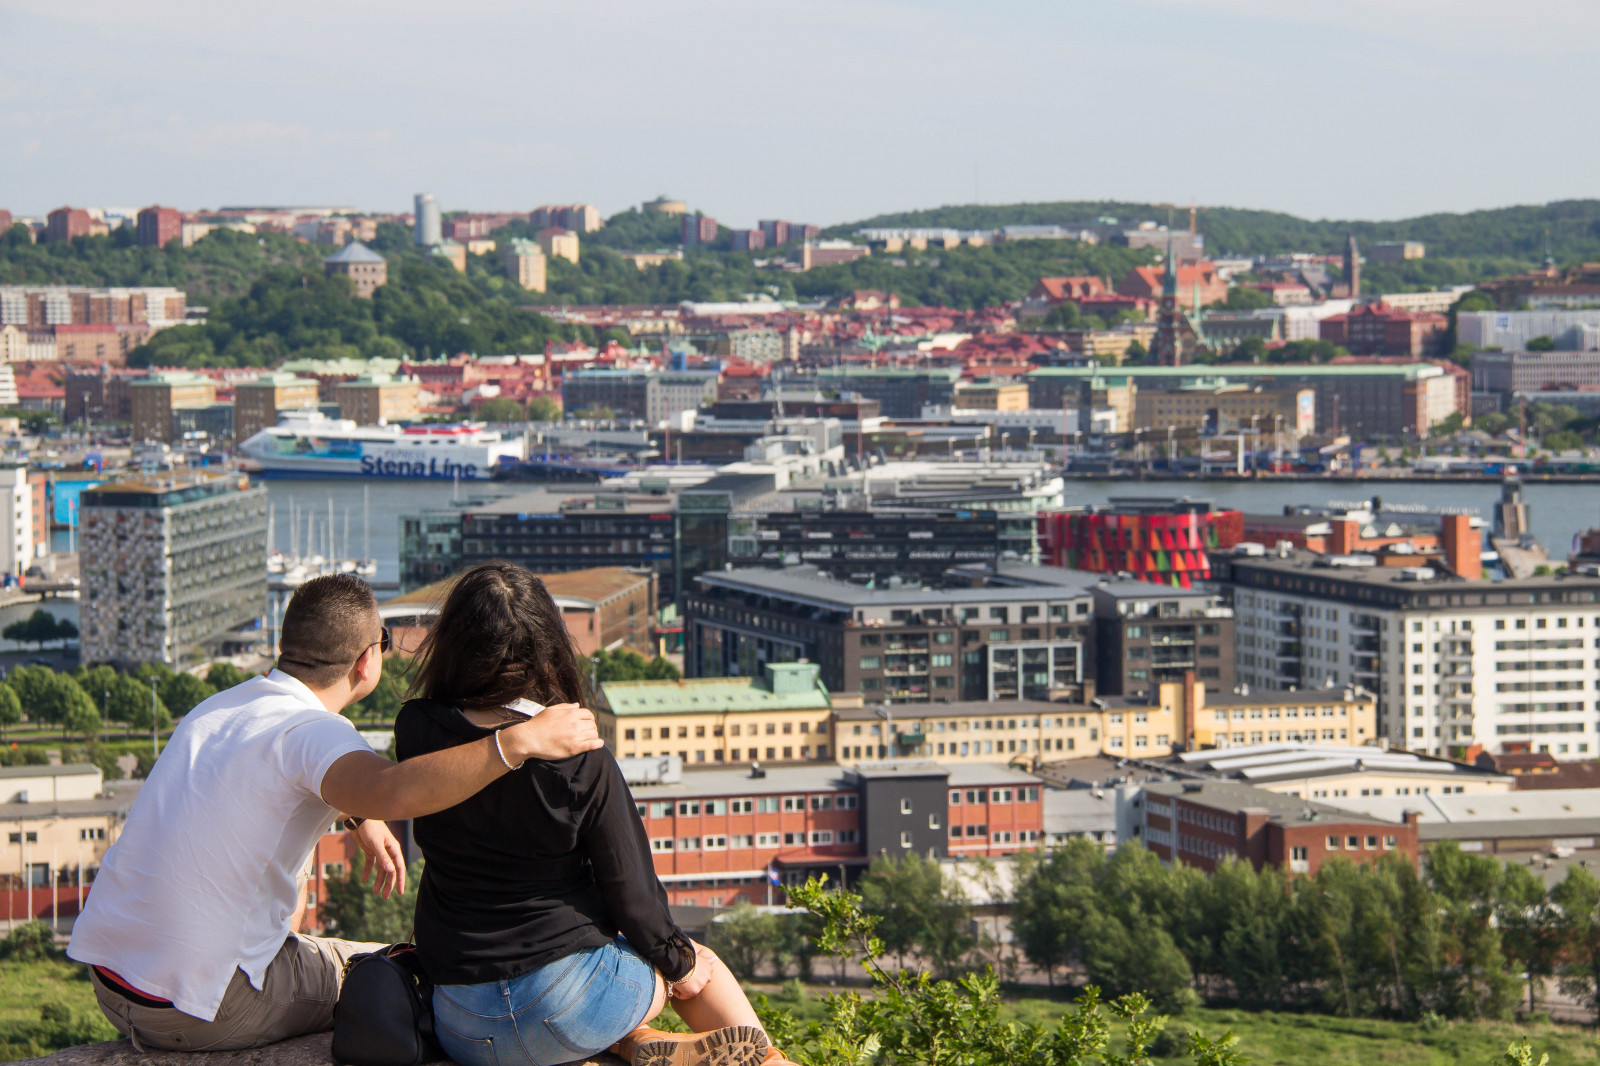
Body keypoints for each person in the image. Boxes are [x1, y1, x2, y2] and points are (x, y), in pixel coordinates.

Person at [68, 573, 604, 1053]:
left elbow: (291, 781)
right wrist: (519, 741)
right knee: (392, 971)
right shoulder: (315, 730)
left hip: (113, 982)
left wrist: (357, 815)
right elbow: (392, 790)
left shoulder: (218, 708)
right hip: (201, 1008)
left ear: (285, 645)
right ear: (367, 661)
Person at [394, 562, 798, 1066]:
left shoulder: (416, 732)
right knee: (698, 964)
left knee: (627, 985)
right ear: (547, 649)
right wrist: (682, 964)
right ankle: (773, 1063)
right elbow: (634, 897)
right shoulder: (581, 758)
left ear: (454, 642)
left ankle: (637, 1043)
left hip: (464, 1023)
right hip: (571, 1009)